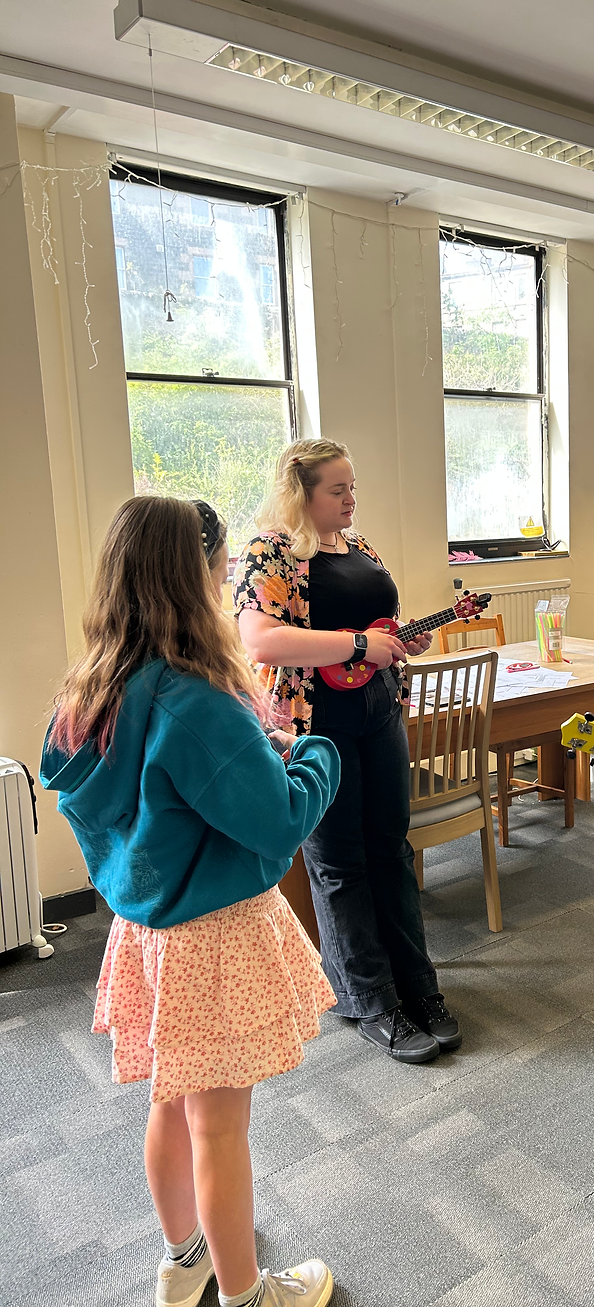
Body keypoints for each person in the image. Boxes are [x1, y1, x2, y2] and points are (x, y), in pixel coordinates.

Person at [39, 497, 342, 1307]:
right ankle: (248, 1294)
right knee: (220, 1128)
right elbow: (279, 818)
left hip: (144, 932)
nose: (227, 584)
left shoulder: (89, 695)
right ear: (195, 577)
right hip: (214, 938)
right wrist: (313, 753)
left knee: (170, 1104)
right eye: (220, 572)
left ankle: (186, 1259)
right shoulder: (196, 701)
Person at [235, 439, 458, 1066]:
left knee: (392, 847)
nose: (351, 499)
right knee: (338, 861)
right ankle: (368, 997)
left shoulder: (358, 547)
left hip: (378, 708)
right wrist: (360, 644)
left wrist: (387, 643)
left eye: (352, 486)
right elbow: (263, 640)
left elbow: (379, 624)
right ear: (300, 494)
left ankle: (418, 987)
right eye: (338, 490)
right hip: (315, 719)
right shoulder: (270, 551)